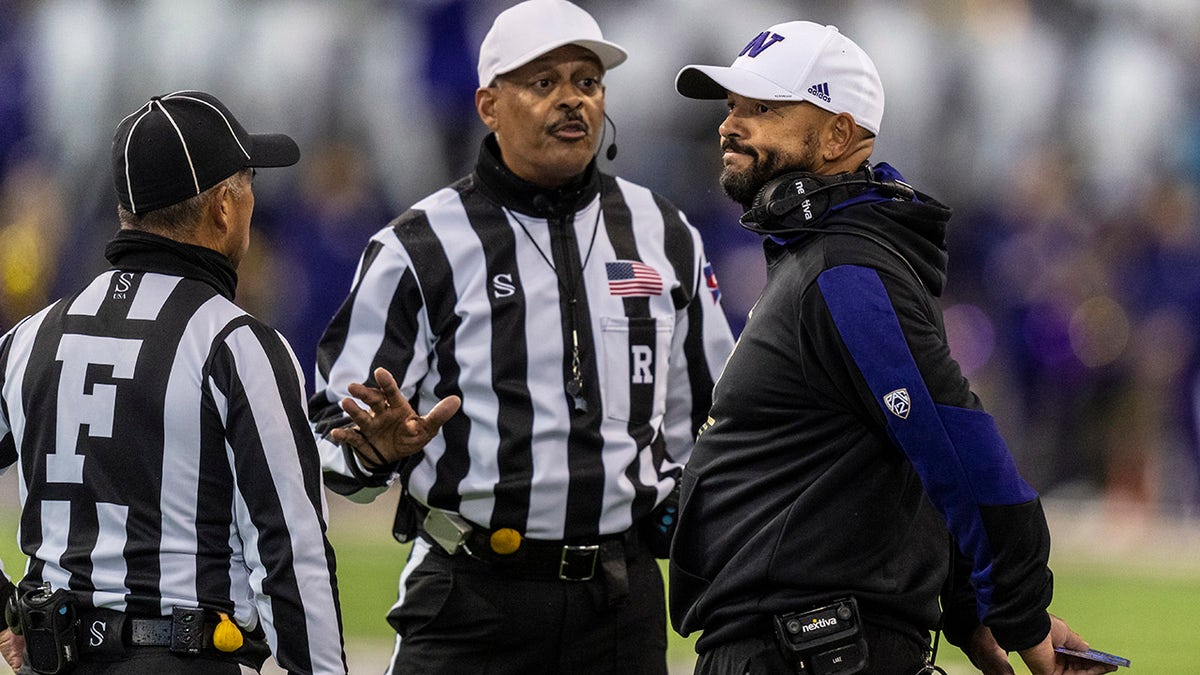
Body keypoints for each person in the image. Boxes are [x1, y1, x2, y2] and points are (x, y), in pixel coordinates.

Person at [668, 21, 1118, 675]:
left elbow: (958, 444)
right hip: (806, 645)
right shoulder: (826, 258)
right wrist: (972, 608)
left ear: (838, 135)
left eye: (762, 108)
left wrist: (1016, 610)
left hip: (805, 651)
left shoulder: (843, 266)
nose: (731, 124)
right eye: (733, 105)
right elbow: (901, 455)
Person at [307, 1, 735, 673]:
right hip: (470, 598)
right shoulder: (418, 245)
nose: (572, 101)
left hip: (618, 604)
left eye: (587, 82)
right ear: (488, 104)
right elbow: (331, 430)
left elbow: (715, 413)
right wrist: (371, 454)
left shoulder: (664, 231)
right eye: (544, 83)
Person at [0, 90, 346, 675]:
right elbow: (293, 552)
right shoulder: (237, 345)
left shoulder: (30, 337)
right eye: (248, 181)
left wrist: (8, 607)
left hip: (54, 660)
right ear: (224, 208)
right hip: (182, 659)